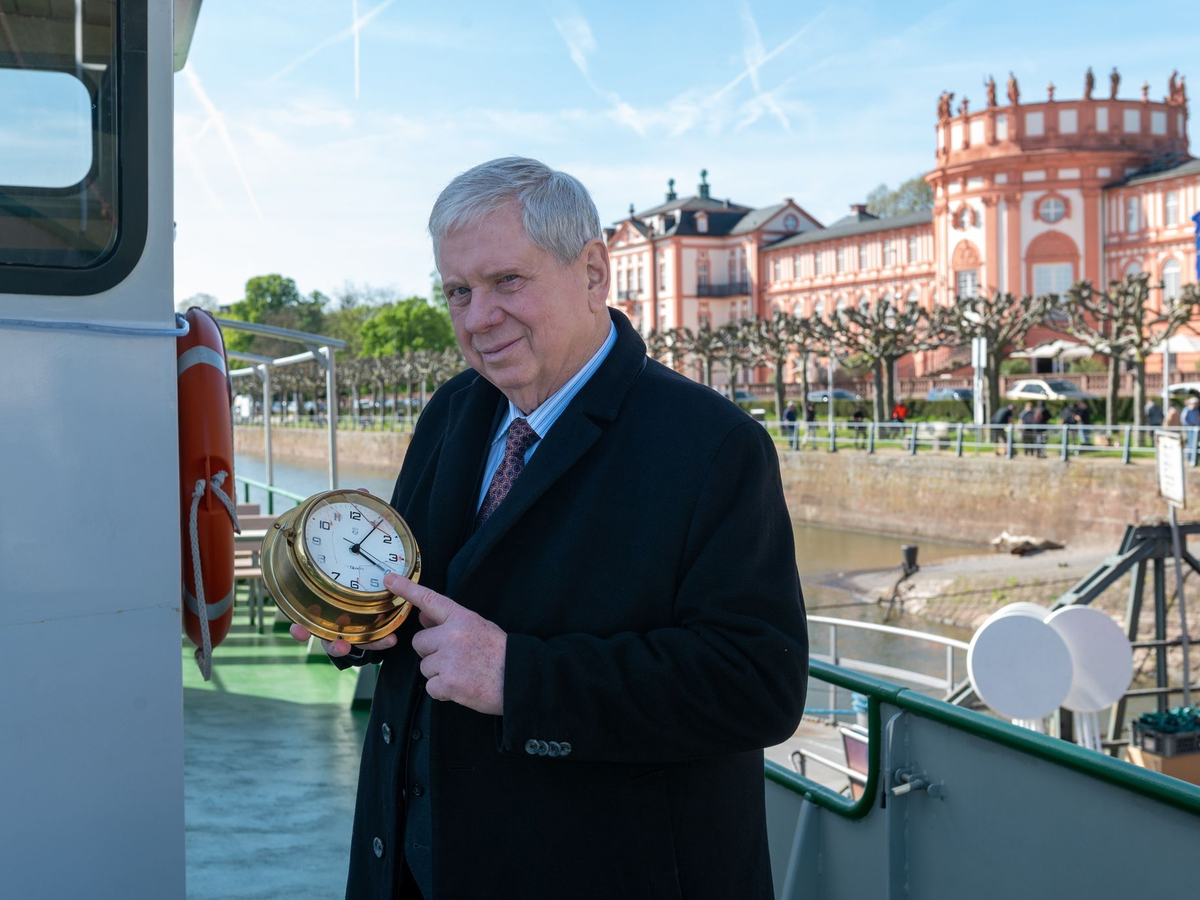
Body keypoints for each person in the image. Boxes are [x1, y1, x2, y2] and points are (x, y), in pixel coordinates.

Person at [290, 158, 809, 900]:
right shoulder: (452, 410)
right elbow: (427, 594)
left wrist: (520, 678)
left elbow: (758, 684)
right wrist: (369, 622)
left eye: (507, 281)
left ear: (593, 272)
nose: (478, 317)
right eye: (458, 292)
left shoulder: (712, 444)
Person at [1184, 396, 1200, 465]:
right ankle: (1189, 458)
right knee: (1190, 443)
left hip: (1196, 428)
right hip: (1190, 429)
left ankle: (1195, 459)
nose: (1196, 405)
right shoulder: (1187, 410)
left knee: (1196, 444)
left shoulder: (1197, 410)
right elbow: (1183, 419)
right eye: (1195, 403)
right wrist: (1189, 425)